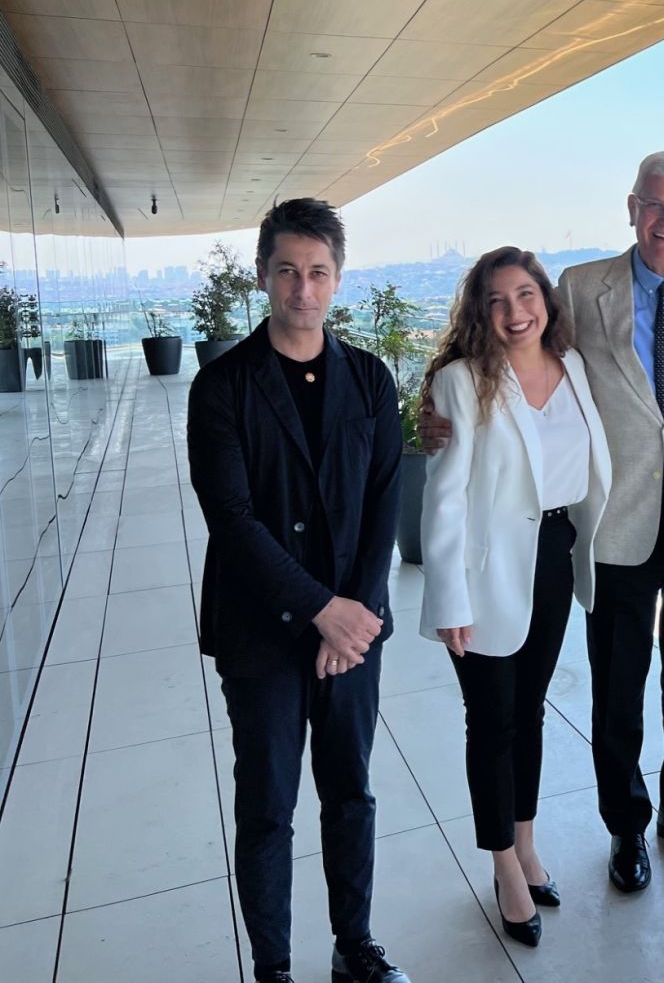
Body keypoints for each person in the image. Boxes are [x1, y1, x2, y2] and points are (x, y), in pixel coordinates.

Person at [421, 151, 664, 893]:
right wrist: (434, 414)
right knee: (618, 686)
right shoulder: (578, 287)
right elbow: (511, 359)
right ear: (632, 207)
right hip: (613, 520)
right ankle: (626, 825)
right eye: (655, 205)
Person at [188, 199, 409, 983]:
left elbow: (384, 506)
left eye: (318, 272)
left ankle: (355, 947)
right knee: (268, 807)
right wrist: (323, 610)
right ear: (263, 276)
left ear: (338, 279)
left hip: (353, 633)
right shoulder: (222, 386)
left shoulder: (371, 380)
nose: (303, 289)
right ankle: (274, 968)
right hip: (262, 632)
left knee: (351, 793)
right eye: (288, 271)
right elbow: (233, 520)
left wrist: (358, 617)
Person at [418, 248, 611, 947]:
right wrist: (448, 598)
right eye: (497, 300)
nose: (515, 311)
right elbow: (443, 498)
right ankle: (503, 865)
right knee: (491, 720)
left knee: (529, 711)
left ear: (546, 300)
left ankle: (526, 845)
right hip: (484, 572)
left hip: (554, 555)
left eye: (525, 294)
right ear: (480, 311)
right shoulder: (462, 381)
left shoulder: (574, 368)